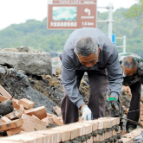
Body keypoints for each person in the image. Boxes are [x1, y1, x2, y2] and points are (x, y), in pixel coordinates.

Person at [61, 28, 123, 124]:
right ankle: (69, 127)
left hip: (99, 68)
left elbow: (116, 76)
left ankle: (96, 128)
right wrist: (82, 106)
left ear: (98, 50)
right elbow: (68, 83)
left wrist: (114, 97)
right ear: (75, 53)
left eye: (92, 60)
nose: (89, 65)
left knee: (98, 94)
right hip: (76, 67)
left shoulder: (109, 50)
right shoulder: (68, 53)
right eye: (84, 61)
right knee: (69, 96)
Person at [119, 52, 143, 132]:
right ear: (122, 67)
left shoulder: (141, 67)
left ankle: (131, 126)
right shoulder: (115, 66)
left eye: (133, 72)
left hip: (136, 81)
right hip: (118, 80)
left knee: (136, 96)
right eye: (128, 73)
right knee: (113, 99)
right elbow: (108, 86)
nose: (131, 74)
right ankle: (117, 124)